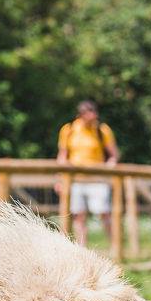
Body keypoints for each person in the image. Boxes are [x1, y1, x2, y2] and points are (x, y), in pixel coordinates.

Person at [57, 100, 119, 246]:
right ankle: (82, 248)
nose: (93, 120)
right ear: (81, 115)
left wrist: (111, 165)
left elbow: (113, 154)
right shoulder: (69, 129)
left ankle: (115, 246)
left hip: (97, 179)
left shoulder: (102, 130)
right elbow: (62, 156)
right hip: (76, 180)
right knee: (79, 216)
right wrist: (60, 179)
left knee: (104, 213)